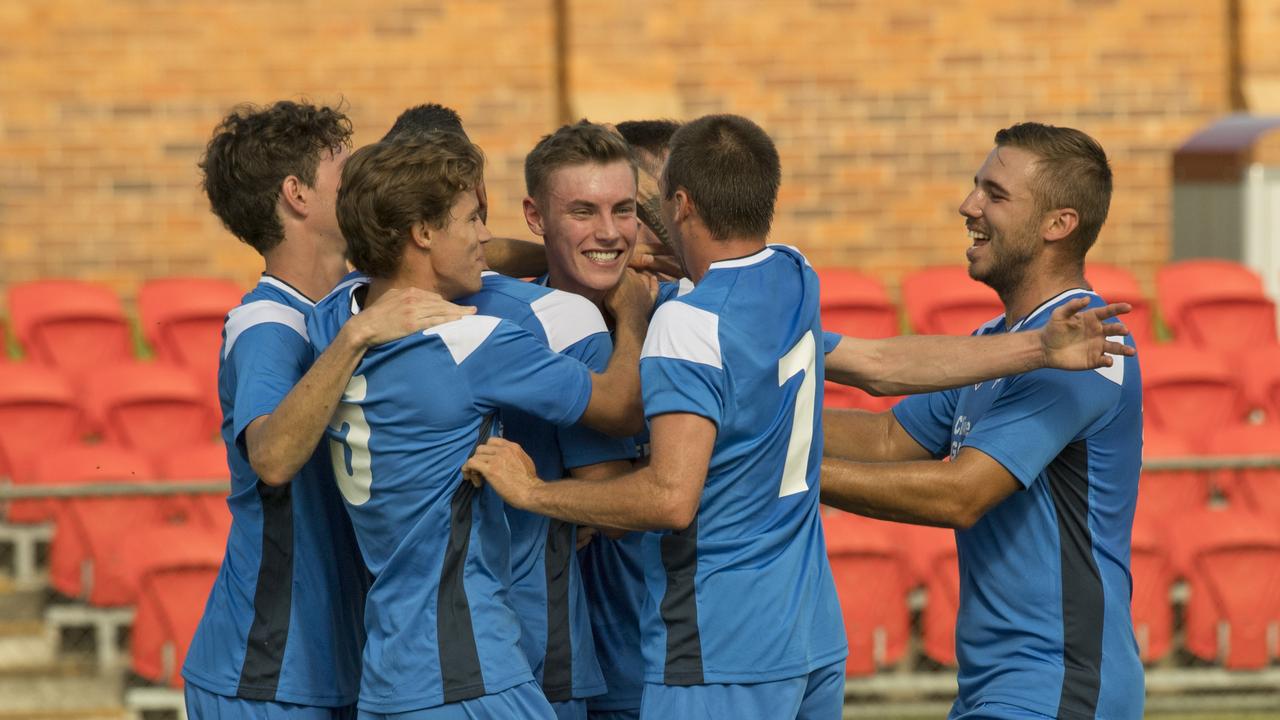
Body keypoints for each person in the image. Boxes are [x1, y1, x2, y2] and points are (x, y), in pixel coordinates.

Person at [466, 114, 848, 720]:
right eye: (583, 212)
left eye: (625, 210)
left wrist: (541, 494)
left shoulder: (687, 315)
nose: (612, 232)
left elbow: (866, 362)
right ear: (536, 218)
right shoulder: (495, 321)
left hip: (671, 656)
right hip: (541, 659)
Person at [307, 133, 652, 718]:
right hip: (471, 672)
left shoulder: (337, 315)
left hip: (391, 675)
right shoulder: (471, 341)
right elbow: (622, 407)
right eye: (473, 219)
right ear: (421, 232)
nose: (486, 238)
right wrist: (635, 311)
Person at [818, 123, 1144, 720]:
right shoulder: (1000, 343)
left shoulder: (1086, 349)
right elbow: (889, 438)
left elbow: (961, 494)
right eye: (976, 188)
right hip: (998, 688)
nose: (968, 206)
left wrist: (767, 466)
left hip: (1059, 686)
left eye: (994, 193)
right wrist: (746, 426)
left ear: (1057, 224)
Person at [182, 101, 470, 719]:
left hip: (339, 664)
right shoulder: (266, 325)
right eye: (344, 169)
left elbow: (465, 247)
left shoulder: (351, 294)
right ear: (297, 194)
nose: (365, 178)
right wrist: (358, 337)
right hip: (266, 671)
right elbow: (273, 457)